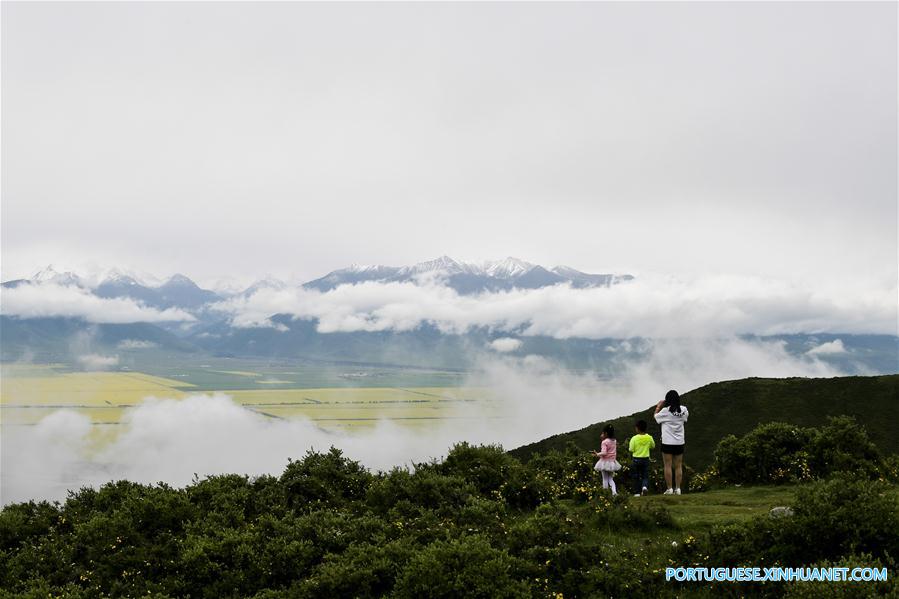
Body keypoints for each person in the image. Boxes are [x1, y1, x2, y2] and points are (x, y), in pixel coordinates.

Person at [654, 389, 689, 495]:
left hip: (667, 442)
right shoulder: (683, 410)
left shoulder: (665, 411)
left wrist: (658, 407)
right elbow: (685, 418)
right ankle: (678, 489)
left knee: (667, 465)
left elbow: (656, 417)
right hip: (679, 442)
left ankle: (669, 489)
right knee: (678, 466)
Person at [592, 424, 621, 495]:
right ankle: (614, 492)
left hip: (604, 462)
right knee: (611, 479)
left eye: (602, 433)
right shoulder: (614, 441)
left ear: (606, 433)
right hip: (612, 463)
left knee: (605, 478)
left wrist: (597, 454)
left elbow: (604, 453)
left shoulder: (604, 442)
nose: (601, 434)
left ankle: (605, 493)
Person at [628, 419, 655, 496]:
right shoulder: (649, 437)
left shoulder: (634, 438)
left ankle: (637, 493)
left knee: (635, 476)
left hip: (636, 459)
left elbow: (631, 449)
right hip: (645, 459)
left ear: (637, 428)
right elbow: (653, 446)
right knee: (645, 476)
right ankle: (644, 487)